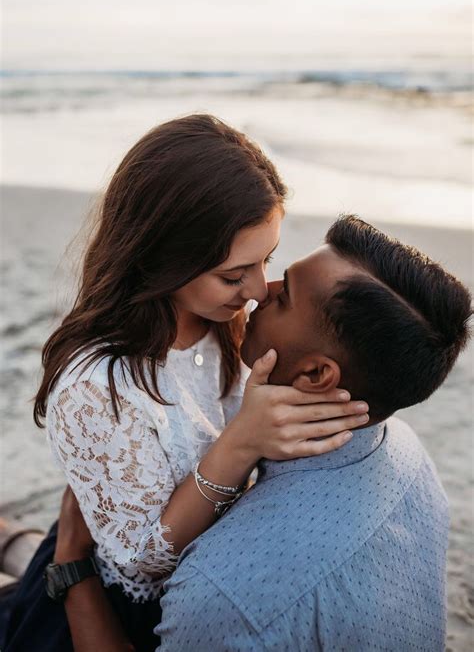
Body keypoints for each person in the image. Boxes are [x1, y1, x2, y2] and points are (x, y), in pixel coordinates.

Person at [1, 116, 366, 652]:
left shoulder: (223, 323)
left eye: (266, 259)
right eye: (233, 273)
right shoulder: (97, 383)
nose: (258, 290)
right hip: (108, 605)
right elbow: (142, 561)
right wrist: (240, 441)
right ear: (159, 257)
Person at [51, 215, 471, 651]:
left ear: (315, 374)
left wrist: (70, 562)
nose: (258, 292)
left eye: (284, 296)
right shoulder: (408, 453)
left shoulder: (224, 594)